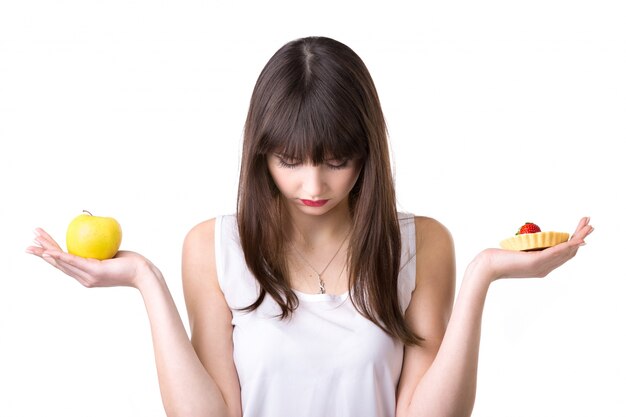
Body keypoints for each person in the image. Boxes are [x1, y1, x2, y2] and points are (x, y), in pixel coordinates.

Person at [26, 36, 593, 417]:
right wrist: (146, 281)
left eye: (336, 160)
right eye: (290, 161)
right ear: (261, 156)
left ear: (367, 153)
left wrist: (482, 275)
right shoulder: (213, 247)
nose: (314, 186)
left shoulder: (422, 243)